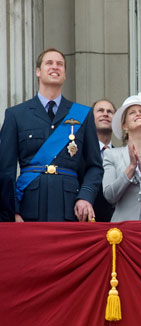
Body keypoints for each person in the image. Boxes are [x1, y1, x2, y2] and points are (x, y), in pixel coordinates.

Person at [0, 48, 102, 222]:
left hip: (69, 209)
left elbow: (94, 166)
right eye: (49, 63)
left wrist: (85, 197)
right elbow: (5, 171)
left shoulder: (82, 115)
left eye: (60, 64)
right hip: (29, 210)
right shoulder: (16, 114)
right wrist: (13, 211)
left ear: (64, 74)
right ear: (38, 72)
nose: (55, 67)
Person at [102, 86, 141, 222]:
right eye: (132, 113)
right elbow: (109, 195)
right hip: (123, 228)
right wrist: (131, 168)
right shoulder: (111, 155)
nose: (138, 114)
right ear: (124, 125)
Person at [91, 99, 116, 221]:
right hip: (89, 220)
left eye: (110, 112)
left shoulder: (121, 155)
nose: (105, 114)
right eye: (100, 111)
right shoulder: (81, 153)